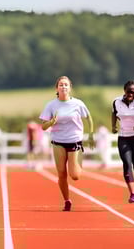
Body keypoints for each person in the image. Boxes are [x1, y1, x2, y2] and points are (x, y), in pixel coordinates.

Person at [39, 76, 94, 211]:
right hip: (58, 141)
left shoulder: (78, 103)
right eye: (61, 85)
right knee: (62, 174)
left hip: (74, 140)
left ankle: (78, 159)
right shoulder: (51, 105)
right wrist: (51, 122)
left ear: (70, 88)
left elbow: (89, 118)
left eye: (66, 85)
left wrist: (91, 134)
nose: (63, 87)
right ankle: (67, 201)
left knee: (75, 176)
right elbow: (43, 127)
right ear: (56, 88)